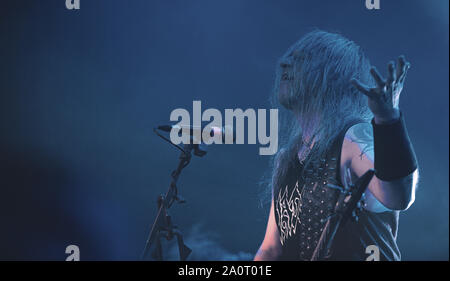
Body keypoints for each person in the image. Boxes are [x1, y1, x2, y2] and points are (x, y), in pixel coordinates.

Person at [254, 30, 419, 261]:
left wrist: (388, 121)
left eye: (300, 59)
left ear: (333, 74)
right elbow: (271, 250)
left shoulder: (354, 137)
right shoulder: (287, 158)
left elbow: (399, 197)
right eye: (287, 57)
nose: (285, 63)